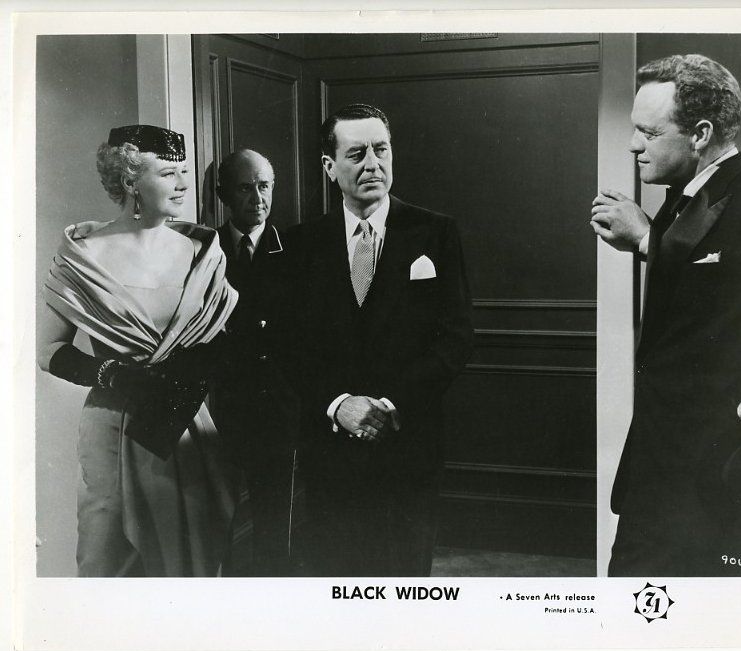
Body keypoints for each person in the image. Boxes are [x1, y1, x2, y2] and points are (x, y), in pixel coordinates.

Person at [591, 54, 741, 576]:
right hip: (659, 473)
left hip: (718, 477)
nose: (633, 145)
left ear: (701, 133)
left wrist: (647, 241)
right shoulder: (680, 201)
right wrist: (654, 240)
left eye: (648, 132)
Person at [38, 125, 239, 577]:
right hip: (112, 425)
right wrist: (113, 374)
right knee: (107, 559)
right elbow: (48, 351)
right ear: (130, 180)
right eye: (168, 173)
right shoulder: (85, 254)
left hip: (182, 420)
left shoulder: (200, 252)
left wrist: (194, 369)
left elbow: (218, 339)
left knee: (186, 560)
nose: (184, 184)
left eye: (183, 171)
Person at [282, 103, 474, 576]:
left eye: (381, 150)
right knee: (337, 582)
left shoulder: (436, 233)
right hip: (330, 451)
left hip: (409, 445)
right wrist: (338, 404)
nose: (372, 164)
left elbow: (455, 339)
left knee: (404, 583)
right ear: (330, 166)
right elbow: (291, 347)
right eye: (356, 154)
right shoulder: (302, 244)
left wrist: (389, 404)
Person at [214, 149, 298, 576]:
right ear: (224, 194)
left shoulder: (296, 248)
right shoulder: (203, 248)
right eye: (245, 188)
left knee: (274, 517)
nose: (258, 198)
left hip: (277, 403)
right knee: (218, 514)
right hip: (221, 402)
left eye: (264, 186)